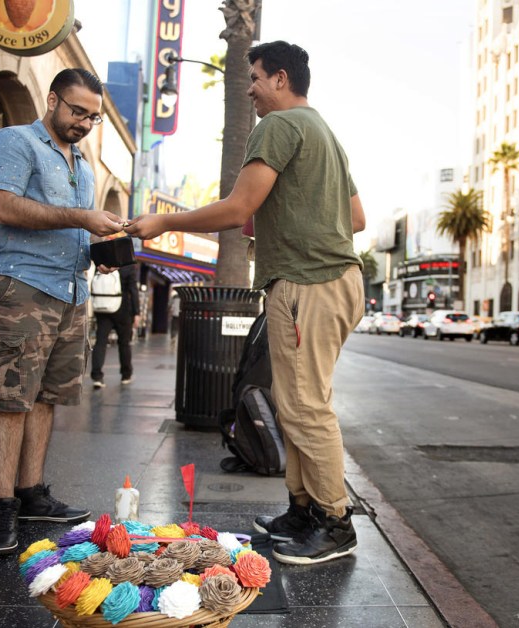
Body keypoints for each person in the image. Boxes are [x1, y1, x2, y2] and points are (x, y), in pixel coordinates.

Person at [126, 41, 366, 565]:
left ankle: (334, 522)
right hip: (337, 282)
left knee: (305, 407)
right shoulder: (324, 132)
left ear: (281, 79)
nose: (250, 90)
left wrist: (163, 222)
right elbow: (358, 218)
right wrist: (294, 217)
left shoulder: (278, 126)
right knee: (299, 402)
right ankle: (302, 510)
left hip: (307, 285)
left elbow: (238, 209)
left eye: (255, 78)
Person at [0, 68, 125, 556]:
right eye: (77, 111)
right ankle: (2, 508)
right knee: (10, 398)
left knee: (46, 397)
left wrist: (97, 251)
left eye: (93, 117)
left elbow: (73, 230)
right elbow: (5, 208)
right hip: (23, 285)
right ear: (53, 99)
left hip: (71, 293)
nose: (84, 122)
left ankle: (31, 492)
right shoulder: (15, 141)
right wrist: (81, 218)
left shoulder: (82, 163)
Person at [91, 263, 140, 387]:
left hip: (102, 308)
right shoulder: (128, 266)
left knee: (100, 342)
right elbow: (133, 290)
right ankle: (126, 375)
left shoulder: (103, 263)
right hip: (123, 309)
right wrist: (136, 313)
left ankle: (97, 376)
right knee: (124, 343)